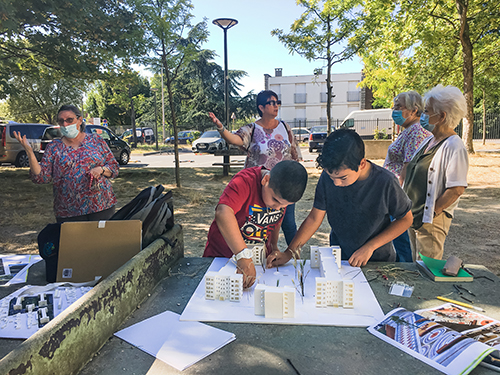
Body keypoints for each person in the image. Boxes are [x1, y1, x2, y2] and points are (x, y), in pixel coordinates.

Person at [267, 128, 413, 269]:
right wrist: (289, 252)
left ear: (361, 164)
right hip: (340, 259)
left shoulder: (386, 182)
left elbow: (406, 219)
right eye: (332, 178)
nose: (336, 183)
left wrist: (370, 247)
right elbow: (314, 218)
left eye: (342, 178)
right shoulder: (327, 178)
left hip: (378, 261)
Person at [208, 90, 302, 246]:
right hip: (259, 186)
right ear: (261, 107)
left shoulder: (285, 127)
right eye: (271, 103)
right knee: (256, 224)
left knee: (288, 224)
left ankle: (291, 256)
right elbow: (235, 139)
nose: (276, 106)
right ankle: (250, 252)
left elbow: (293, 152)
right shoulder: (252, 128)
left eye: (277, 102)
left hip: (283, 183)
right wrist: (221, 128)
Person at [203, 160, 308, 288]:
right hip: (222, 257)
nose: (277, 208)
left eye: (284, 205)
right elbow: (223, 212)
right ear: (266, 180)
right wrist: (243, 256)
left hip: (257, 262)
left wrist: (273, 245)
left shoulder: (279, 195)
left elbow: (276, 219)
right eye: (275, 200)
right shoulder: (245, 181)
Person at [14, 105, 119, 222]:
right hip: (68, 210)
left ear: (79, 120)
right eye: (61, 121)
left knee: (101, 240)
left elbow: (114, 167)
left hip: (101, 205)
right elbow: (41, 177)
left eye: (69, 120)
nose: (65, 124)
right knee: (74, 241)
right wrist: (30, 153)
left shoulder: (96, 140)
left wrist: (101, 170)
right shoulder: (54, 147)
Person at [403, 85, 468, 260]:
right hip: (414, 216)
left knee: (428, 267)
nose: (423, 115)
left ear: (441, 116)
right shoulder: (430, 140)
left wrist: (432, 213)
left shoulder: (454, 146)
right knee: (415, 266)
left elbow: (456, 189)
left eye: (427, 111)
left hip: (430, 220)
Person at [384, 91, 432, 262]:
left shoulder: (415, 132)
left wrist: (399, 199)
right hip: (395, 192)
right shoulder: (408, 131)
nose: (394, 110)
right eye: (394, 106)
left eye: (399, 107)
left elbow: (408, 167)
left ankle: (405, 269)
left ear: (414, 110)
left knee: (401, 240)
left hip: (399, 195)